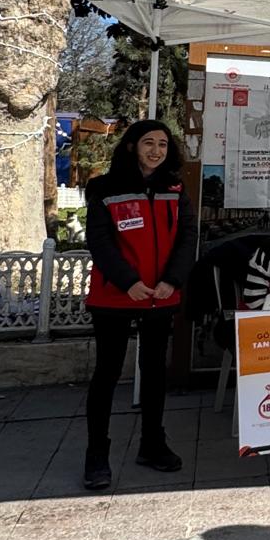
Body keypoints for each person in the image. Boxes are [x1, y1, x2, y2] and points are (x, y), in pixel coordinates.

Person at [82, 119, 197, 490]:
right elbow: (100, 240)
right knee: (108, 373)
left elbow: (187, 237)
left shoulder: (175, 189)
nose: (156, 151)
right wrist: (128, 282)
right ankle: (97, 453)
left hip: (160, 296)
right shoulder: (103, 188)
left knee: (154, 372)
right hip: (116, 296)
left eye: (163, 144)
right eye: (148, 143)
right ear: (132, 145)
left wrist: (171, 281)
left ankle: (152, 443)